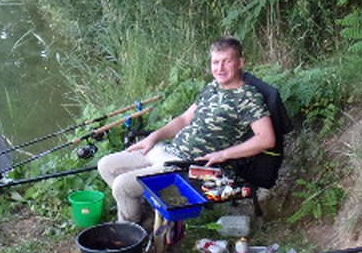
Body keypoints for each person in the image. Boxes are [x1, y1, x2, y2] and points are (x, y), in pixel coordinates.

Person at [97, 37, 275, 224]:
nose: (220, 68)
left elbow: (266, 139)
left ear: (240, 63)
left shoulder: (248, 97)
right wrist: (153, 137)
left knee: (122, 186)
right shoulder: (213, 87)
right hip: (168, 150)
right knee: (106, 165)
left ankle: (131, 230)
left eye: (227, 61)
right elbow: (183, 119)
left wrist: (223, 154)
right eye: (215, 62)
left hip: (188, 166)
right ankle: (145, 211)